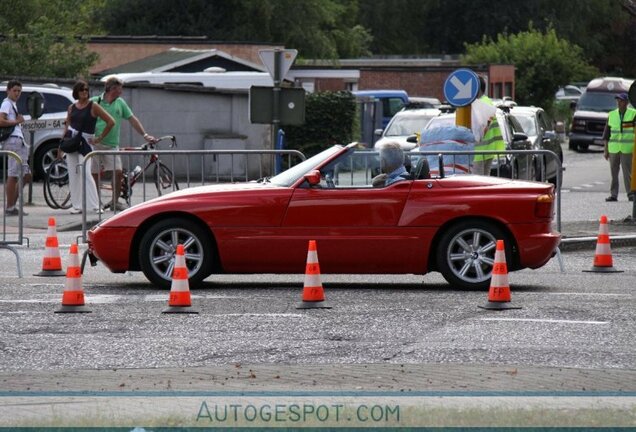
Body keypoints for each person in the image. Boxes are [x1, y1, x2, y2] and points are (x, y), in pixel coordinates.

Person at [91, 77, 156, 211]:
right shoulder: (95, 101)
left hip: (111, 144)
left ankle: (114, 201)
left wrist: (144, 134)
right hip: (95, 143)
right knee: (95, 173)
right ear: (112, 88)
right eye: (119, 89)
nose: (121, 92)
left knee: (118, 171)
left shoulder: (120, 103)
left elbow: (132, 119)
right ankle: (96, 202)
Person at [59, 80, 115, 214]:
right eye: (82, 90)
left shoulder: (93, 106)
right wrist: (61, 146)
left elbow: (110, 121)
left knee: (85, 173)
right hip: (72, 141)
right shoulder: (72, 107)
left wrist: (99, 138)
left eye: (86, 89)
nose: (85, 92)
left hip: (85, 143)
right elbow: (67, 126)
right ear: (76, 92)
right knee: (73, 173)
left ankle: (95, 205)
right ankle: (77, 205)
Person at [0, 80, 30, 216]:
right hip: (13, 141)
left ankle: (12, 205)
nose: (17, 93)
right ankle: (10, 207)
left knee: (26, 175)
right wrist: (17, 121)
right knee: (13, 174)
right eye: (15, 90)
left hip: (19, 141)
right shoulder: (6, 103)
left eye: (19, 91)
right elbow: (1, 121)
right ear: (8, 90)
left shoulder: (13, 105)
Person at [602, 92, 635, 202]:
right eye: (618, 101)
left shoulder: (633, 114)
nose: (619, 103)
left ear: (626, 102)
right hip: (613, 149)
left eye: (621, 101)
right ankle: (613, 195)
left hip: (628, 149)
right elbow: (606, 134)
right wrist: (605, 150)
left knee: (628, 173)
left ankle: (630, 194)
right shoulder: (612, 115)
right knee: (614, 174)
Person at [470, 76, 504, 175]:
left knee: (477, 184)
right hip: (488, 150)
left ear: (477, 88)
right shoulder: (487, 101)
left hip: (478, 152)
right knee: (485, 181)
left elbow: (478, 127)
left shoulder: (479, 104)